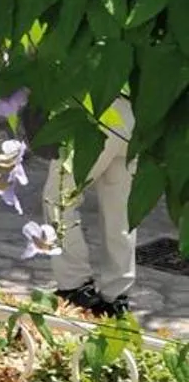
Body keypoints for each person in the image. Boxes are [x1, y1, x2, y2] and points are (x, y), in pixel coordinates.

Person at [42, 97, 136, 317]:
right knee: (121, 210)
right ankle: (117, 297)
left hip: (100, 108)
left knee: (59, 197)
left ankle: (75, 285)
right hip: (137, 112)